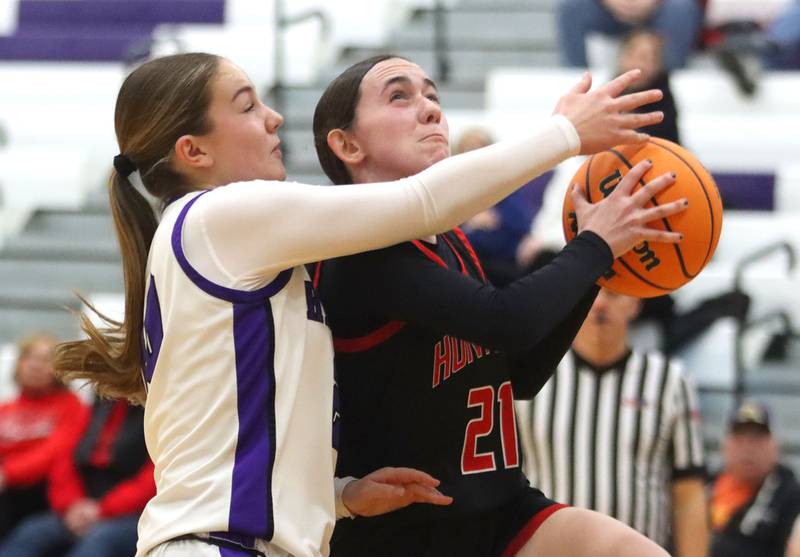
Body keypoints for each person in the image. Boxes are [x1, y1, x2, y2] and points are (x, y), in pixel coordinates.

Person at [52, 52, 665, 557]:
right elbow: (423, 202)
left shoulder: (247, 252)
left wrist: (340, 492)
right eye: (246, 106)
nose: (271, 119)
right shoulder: (218, 216)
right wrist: (564, 138)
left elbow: (252, 433)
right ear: (194, 152)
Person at [313, 54, 687, 557]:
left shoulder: (450, 241)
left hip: (499, 508)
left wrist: (600, 262)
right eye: (399, 96)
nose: (428, 108)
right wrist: (594, 246)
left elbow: (520, 373)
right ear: (346, 144)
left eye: (432, 95)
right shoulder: (357, 252)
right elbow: (508, 321)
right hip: (404, 535)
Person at [515, 288, 709, 556]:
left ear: (636, 303)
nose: (600, 304)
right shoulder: (530, 378)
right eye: (591, 293)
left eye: (614, 294)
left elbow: (688, 495)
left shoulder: (670, 380)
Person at [0, 398, 153, 557]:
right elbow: (64, 460)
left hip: (131, 515)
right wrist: (72, 504)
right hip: (77, 509)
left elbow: (153, 479)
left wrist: (102, 509)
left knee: (98, 542)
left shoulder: (157, 414)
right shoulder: (94, 408)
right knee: (32, 532)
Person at [0, 334, 87, 540]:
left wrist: (8, 473)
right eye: (30, 357)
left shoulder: (71, 405)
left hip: (41, 493)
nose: (36, 365)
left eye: (46, 359)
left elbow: (55, 452)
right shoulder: (6, 408)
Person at [709, 399, 800, 557]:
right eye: (739, 437)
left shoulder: (790, 497)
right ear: (724, 445)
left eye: (757, 438)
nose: (748, 448)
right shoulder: (702, 487)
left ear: (775, 446)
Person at [455, 128, 542, 286]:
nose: (475, 153)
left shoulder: (505, 185)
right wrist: (469, 220)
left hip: (508, 258)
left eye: (481, 147)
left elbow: (522, 223)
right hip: (472, 262)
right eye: (469, 148)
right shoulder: (453, 189)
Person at [557, 0, 703, 70]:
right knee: (571, 7)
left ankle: (672, 74)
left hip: (657, 9)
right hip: (608, 10)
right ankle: (576, 77)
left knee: (682, 8)